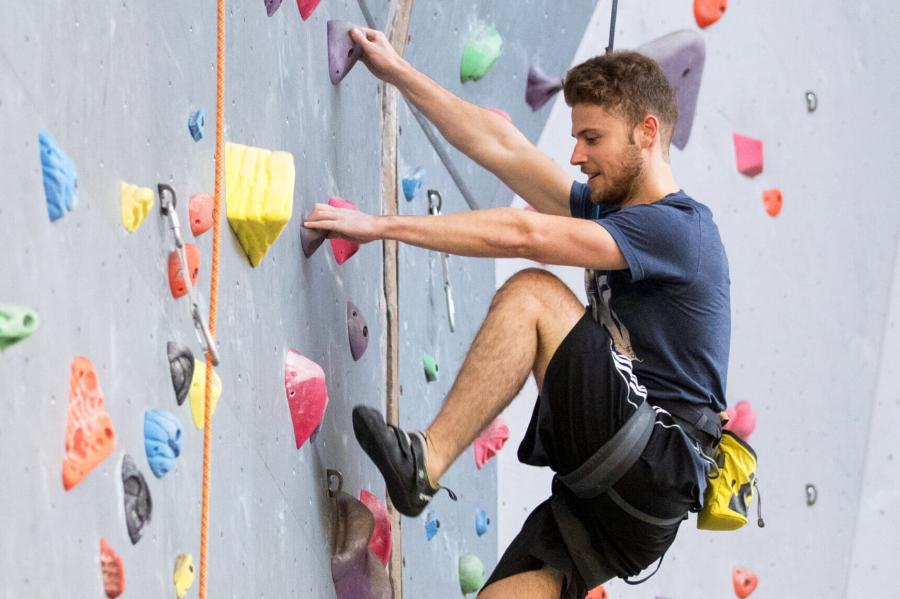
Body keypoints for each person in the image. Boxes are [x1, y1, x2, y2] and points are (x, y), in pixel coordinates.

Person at [304, 26, 731, 599]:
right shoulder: (615, 213)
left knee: (534, 296)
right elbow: (502, 147)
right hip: (628, 513)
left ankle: (425, 463)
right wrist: (398, 71)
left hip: (651, 455)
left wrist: (380, 226)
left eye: (592, 138)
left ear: (646, 132)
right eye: (576, 137)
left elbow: (524, 233)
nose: (576, 155)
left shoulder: (677, 229)